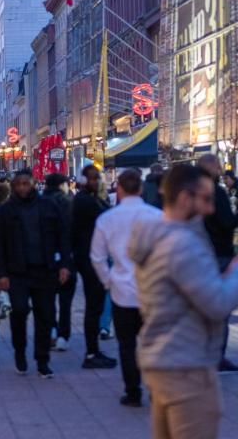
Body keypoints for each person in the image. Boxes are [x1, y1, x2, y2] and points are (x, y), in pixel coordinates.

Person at [128, 164, 238, 439]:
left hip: (163, 361)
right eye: (206, 199)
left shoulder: (156, 236)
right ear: (184, 198)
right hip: (186, 365)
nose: (211, 208)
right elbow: (216, 303)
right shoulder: (181, 244)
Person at [90, 168, 162, 407]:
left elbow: (97, 257)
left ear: (118, 188)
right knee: (152, 344)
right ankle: (156, 388)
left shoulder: (107, 219)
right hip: (151, 290)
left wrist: (108, 281)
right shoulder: (156, 217)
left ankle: (132, 390)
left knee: (127, 344)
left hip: (122, 291)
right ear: (140, 188)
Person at [0, 168, 72, 378]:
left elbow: (62, 236)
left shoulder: (48, 206)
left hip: (45, 269)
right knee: (19, 311)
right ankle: (20, 352)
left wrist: (64, 264)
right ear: (13, 186)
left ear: (33, 184)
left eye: (25, 184)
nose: (21, 188)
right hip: (17, 271)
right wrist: (1, 273)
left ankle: (42, 359)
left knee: (45, 315)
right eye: (18, 184)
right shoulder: (6, 210)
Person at [197, 154, 238, 374]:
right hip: (219, 254)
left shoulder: (194, 192)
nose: (222, 169)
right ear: (211, 168)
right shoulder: (216, 192)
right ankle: (217, 357)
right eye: (218, 165)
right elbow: (228, 223)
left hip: (202, 254)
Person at [70, 165, 117, 369]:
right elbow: (107, 215)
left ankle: (94, 349)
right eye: (92, 178)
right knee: (93, 306)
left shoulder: (90, 198)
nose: (96, 181)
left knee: (95, 305)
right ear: (82, 181)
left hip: (89, 256)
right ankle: (91, 352)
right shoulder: (84, 200)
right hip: (89, 258)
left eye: (97, 178)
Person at [43, 172, 74, 351]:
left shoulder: (39, 202)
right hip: (66, 256)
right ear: (62, 185)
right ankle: (64, 335)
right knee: (65, 301)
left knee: (47, 299)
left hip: (45, 258)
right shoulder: (68, 202)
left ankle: (52, 330)